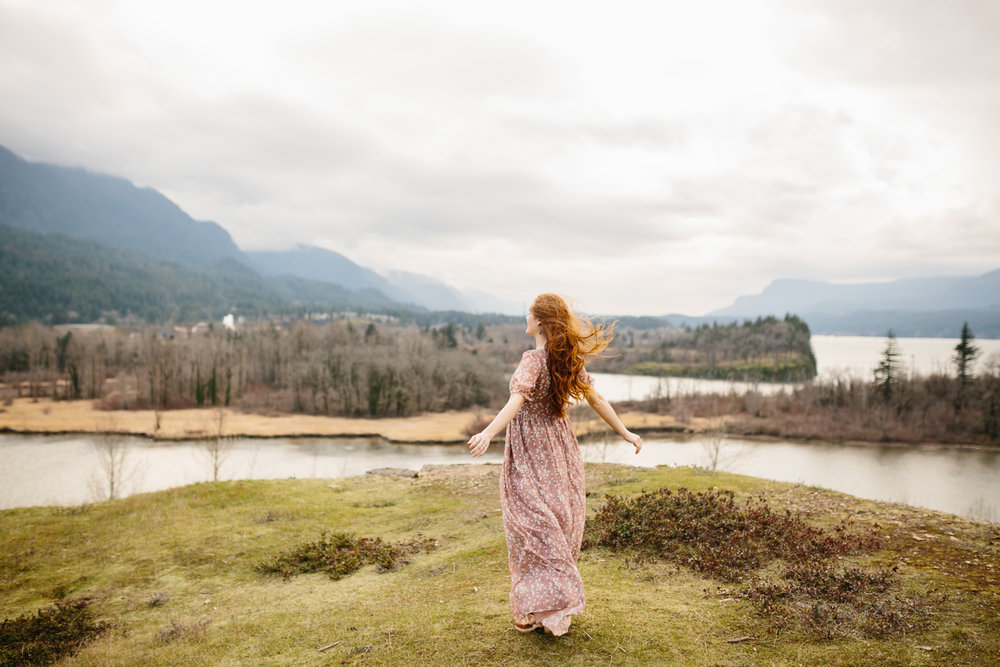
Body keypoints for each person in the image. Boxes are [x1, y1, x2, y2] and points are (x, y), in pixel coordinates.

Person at [468, 293, 643, 636]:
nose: (526, 319)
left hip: (533, 448)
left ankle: (541, 610)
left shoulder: (534, 360)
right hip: (559, 447)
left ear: (540, 322)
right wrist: (624, 432)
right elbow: (598, 399)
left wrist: (488, 433)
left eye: (529, 315)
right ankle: (548, 609)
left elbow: (517, 401)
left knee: (529, 525)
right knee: (554, 521)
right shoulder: (565, 360)